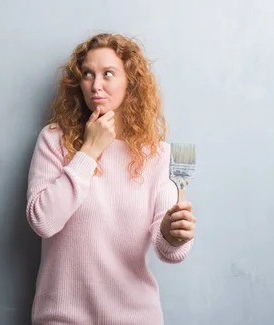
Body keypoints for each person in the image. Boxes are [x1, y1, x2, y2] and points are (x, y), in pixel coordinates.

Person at [25, 33, 197, 325]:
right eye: (88, 74)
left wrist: (173, 233)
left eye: (108, 74)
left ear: (130, 81)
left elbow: (168, 251)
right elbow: (43, 221)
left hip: (135, 317)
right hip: (61, 317)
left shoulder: (158, 155)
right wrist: (89, 151)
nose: (96, 85)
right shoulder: (54, 140)